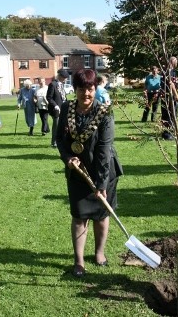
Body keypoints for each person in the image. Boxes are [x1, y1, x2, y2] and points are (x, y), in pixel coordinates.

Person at [56, 69, 123, 277]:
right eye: (82, 89)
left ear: (95, 89)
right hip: (78, 172)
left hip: (104, 171)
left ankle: (100, 253)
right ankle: (79, 261)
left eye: (90, 89)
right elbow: (59, 139)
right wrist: (68, 158)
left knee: (102, 215)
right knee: (79, 216)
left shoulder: (104, 112)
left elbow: (104, 150)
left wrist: (102, 184)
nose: (86, 93)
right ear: (74, 89)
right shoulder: (67, 108)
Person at [46, 69, 69, 148]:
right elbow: (49, 97)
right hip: (55, 109)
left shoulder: (61, 84)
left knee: (63, 125)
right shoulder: (52, 84)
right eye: (65, 77)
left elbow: (63, 97)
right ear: (60, 77)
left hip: (63, 108)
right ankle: (54, 142)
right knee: (56, 125)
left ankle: (61, 140)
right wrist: (55, 105)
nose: (66, 79)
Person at [160, 56, 178, 140]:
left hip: (165, 96)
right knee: (170, 115)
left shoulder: (167, 71)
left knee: (166, 115)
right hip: (168, 96)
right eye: (176, 61)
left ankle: (166, 133)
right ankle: (168, 134)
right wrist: (177, 96)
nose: (176, 63)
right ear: (173, 62)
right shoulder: (169, 72)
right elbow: (171, 84)